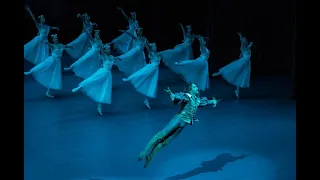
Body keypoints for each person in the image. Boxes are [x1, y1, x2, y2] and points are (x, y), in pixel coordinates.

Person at [138, 83, 221, 168]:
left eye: (196, 86)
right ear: (190, 89)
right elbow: (179, 97)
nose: (197, 88)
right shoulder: (187, 96)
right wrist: (171, 94)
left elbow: (206, 102)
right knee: (161, 135)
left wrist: (214, 101)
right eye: (194, 87)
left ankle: (150, 156)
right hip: (178, 119)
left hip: (183, 124)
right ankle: (144, 151)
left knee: (165, 142)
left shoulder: (197, 100)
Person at [72, 45, 121, 115]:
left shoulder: (112, 57)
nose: (108, 50)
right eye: (107, 49)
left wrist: (119, 59)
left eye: (109, 49)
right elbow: (101, 50)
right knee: (92, 80)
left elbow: (115, 62)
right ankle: (79, 87)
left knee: (104, 89)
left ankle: (99, 105)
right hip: (102, 72)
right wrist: (100, 44)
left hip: (108, 76)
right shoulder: (104, 56)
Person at [212, 32, 253, 98]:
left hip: (246, 64)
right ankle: (220, 72)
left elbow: (248, 47)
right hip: (242, 62)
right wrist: (241, 37)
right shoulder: (242, 48)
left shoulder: (247, 47)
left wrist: (249, 44)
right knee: (232, 69)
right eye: (245, 41)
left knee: (240, 76)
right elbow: (242, 43)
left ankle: (237, 91)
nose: (246, 41)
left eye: (246, 41)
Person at [123, 42, 161, 109]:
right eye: (154, 46)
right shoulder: (151, 53)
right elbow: (148, 49)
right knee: (140, 73)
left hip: (155, 71)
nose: (155, 47)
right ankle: (129, 78)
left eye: (156, 46)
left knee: (151, 84)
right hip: (150, 68)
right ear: (152, 48)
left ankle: (146, 100)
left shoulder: (158, 54)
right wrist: (146, 44)